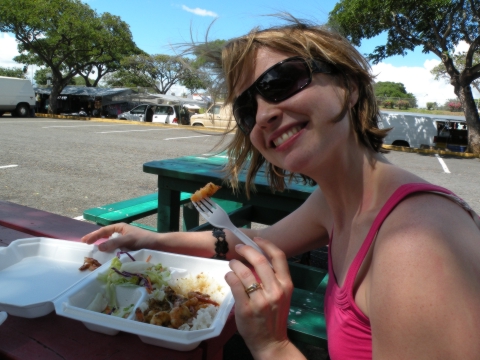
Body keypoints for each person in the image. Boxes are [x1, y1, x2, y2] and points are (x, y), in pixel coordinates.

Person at [82, 16, 480, 359]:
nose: (265, 115)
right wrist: (148, 239)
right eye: (246, 109)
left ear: (350, 86)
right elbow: (249, 242)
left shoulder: (417, 242)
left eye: (281, 81)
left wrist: (271, 345)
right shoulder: (337, 199)